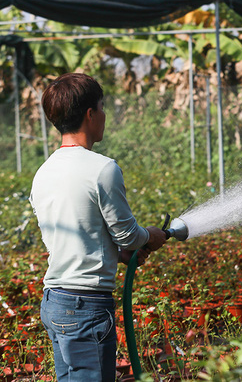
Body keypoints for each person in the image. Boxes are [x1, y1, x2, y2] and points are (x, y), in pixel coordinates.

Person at [29, 73, 167, 381]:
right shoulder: (102, 169)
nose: (104, 115)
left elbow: (66, 238)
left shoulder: (43, 173)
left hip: (55, 300)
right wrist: (152, 236)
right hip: (86, 305)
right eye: (102, 107)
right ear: (90, 114)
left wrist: (115, 255)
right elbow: (128, 234)